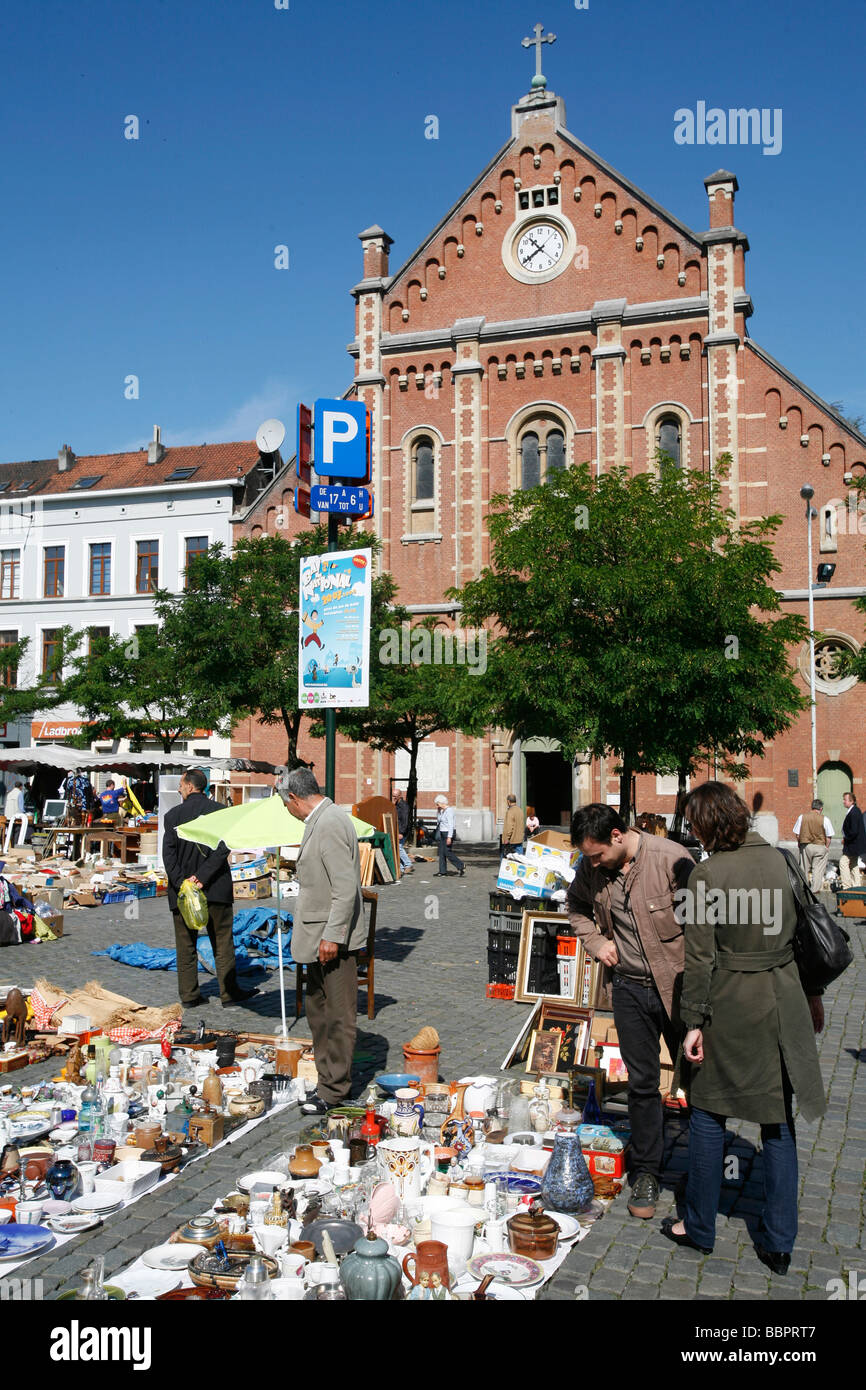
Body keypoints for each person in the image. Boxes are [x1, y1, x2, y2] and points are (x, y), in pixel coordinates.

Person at [664, 781, 825, 1273]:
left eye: (694, 823)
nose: (691, 831)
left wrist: (692, 1023)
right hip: (783, 997)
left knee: (710, 1116)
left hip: (730, 1003)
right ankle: (778, 1242)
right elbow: (807, 935)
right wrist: (813, 996)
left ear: (707, 825)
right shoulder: (783, 861)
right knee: (777, 1123)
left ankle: (699, 1226)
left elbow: (699, 957)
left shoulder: (707, 875)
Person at [567, 803, 695, 1220]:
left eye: (598, 854)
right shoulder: (592, 868)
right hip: (628, 988)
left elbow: (705, 929)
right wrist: (596, 944)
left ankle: (704, 1166)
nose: (593, 862)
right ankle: (647, 1172)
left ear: (618, 836)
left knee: (698, 1080)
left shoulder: (671, 859)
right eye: (588, 856)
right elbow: (576, 909)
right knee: (642, 1084)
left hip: (679, 988)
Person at [276, 766, 366, 1115]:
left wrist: (332, 935)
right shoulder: (325, 818)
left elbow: (346, 889)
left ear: (295, 799)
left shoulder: (328, 823)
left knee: (337, 1015)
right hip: (318, 937)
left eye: (287, 805)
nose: (289, 811)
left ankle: (334, 1091)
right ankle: (327, 1082)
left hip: (330, 939)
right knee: (319, 1011)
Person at [162, 768, 259, 1011]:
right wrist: (201, 878)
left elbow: (168, 853)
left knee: (185, 945)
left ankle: (189, 995)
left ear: (189, 785)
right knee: (223, 942)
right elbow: (223, 848)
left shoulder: (173, 815)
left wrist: (183, 882)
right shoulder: (220, 812)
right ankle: (228, 993)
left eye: (181, 784)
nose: (178, 789)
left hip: (182, 892)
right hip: (215, 887)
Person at [792, 798, 833, 893]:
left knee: (804, 868)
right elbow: (829, 836)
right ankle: (815, 890)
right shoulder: (825, 819)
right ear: (821, 808)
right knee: (818, 870)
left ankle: (804, 888)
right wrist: (826, 847)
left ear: (812, 807)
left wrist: (800, 844)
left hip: (806, 846)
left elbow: (797, 834)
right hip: (820, 846)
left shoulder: (802, 817)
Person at [433, 794, 464, 877]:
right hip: (442, 832)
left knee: (447, 852)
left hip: (448, 833)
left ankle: (461, 865)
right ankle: (442, 871)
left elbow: (451, 825)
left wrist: (449, 837)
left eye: (437, 803)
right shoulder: (441, 811)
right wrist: (439, 812)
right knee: (441, 853)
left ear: (442, 802)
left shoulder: (449, 810)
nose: (437, 805)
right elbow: (439, 821)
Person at [840, 791, 866, 889]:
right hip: (855, 844)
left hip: (852, 844)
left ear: (851, 801)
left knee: (843, 863)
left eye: (845, 800)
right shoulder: (855, 810)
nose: (843, 802)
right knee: (854, 863)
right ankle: (856, 885)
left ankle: (846, 886)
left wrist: (846, 839)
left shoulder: (854, 812)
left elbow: (854, 831)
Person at [393, 789, 413, 873]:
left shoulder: (404, 806)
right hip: (397, 829)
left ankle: (408, 864)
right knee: (397, 848)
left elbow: (405, 820)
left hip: (402, 830)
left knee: (399, 848)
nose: (393, 797)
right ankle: (401, 867)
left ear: (400, 796)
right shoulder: (396, 804)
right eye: (393, 795)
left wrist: (401, 832)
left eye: (395, 796)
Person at [3, 782, 28, 851]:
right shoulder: (19, 793)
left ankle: (9, 848)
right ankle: (16, 848)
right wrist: (25, 815)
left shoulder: (9, 794)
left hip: (8, 817)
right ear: (20, 787)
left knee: (10, 833)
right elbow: (21, 807)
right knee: (17, 832)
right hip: (16, 817)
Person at [501, 793, 524, 858]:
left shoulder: (510, 811)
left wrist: (507, 838)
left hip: (511, 840)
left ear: (508, 801)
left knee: (505, 859)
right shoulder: (520, 810)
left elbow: (509, 826)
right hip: (519, 839)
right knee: (520, 859)